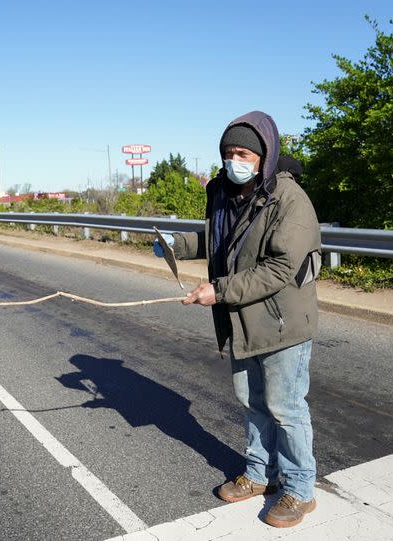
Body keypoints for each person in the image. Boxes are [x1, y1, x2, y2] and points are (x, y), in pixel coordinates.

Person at [153, 111, 321, 528]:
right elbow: (219, 240)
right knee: (252, 404)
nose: (234, 160)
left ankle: (300, 489)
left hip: (282, 323)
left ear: (264, 156)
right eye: (229, 153)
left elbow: (280, 268)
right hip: (244, 323)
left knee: (286, 407)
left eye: (243, 153)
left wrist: (220, 290)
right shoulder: (226, 192)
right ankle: (260, 474)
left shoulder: (289, 198)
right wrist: (177, 244)